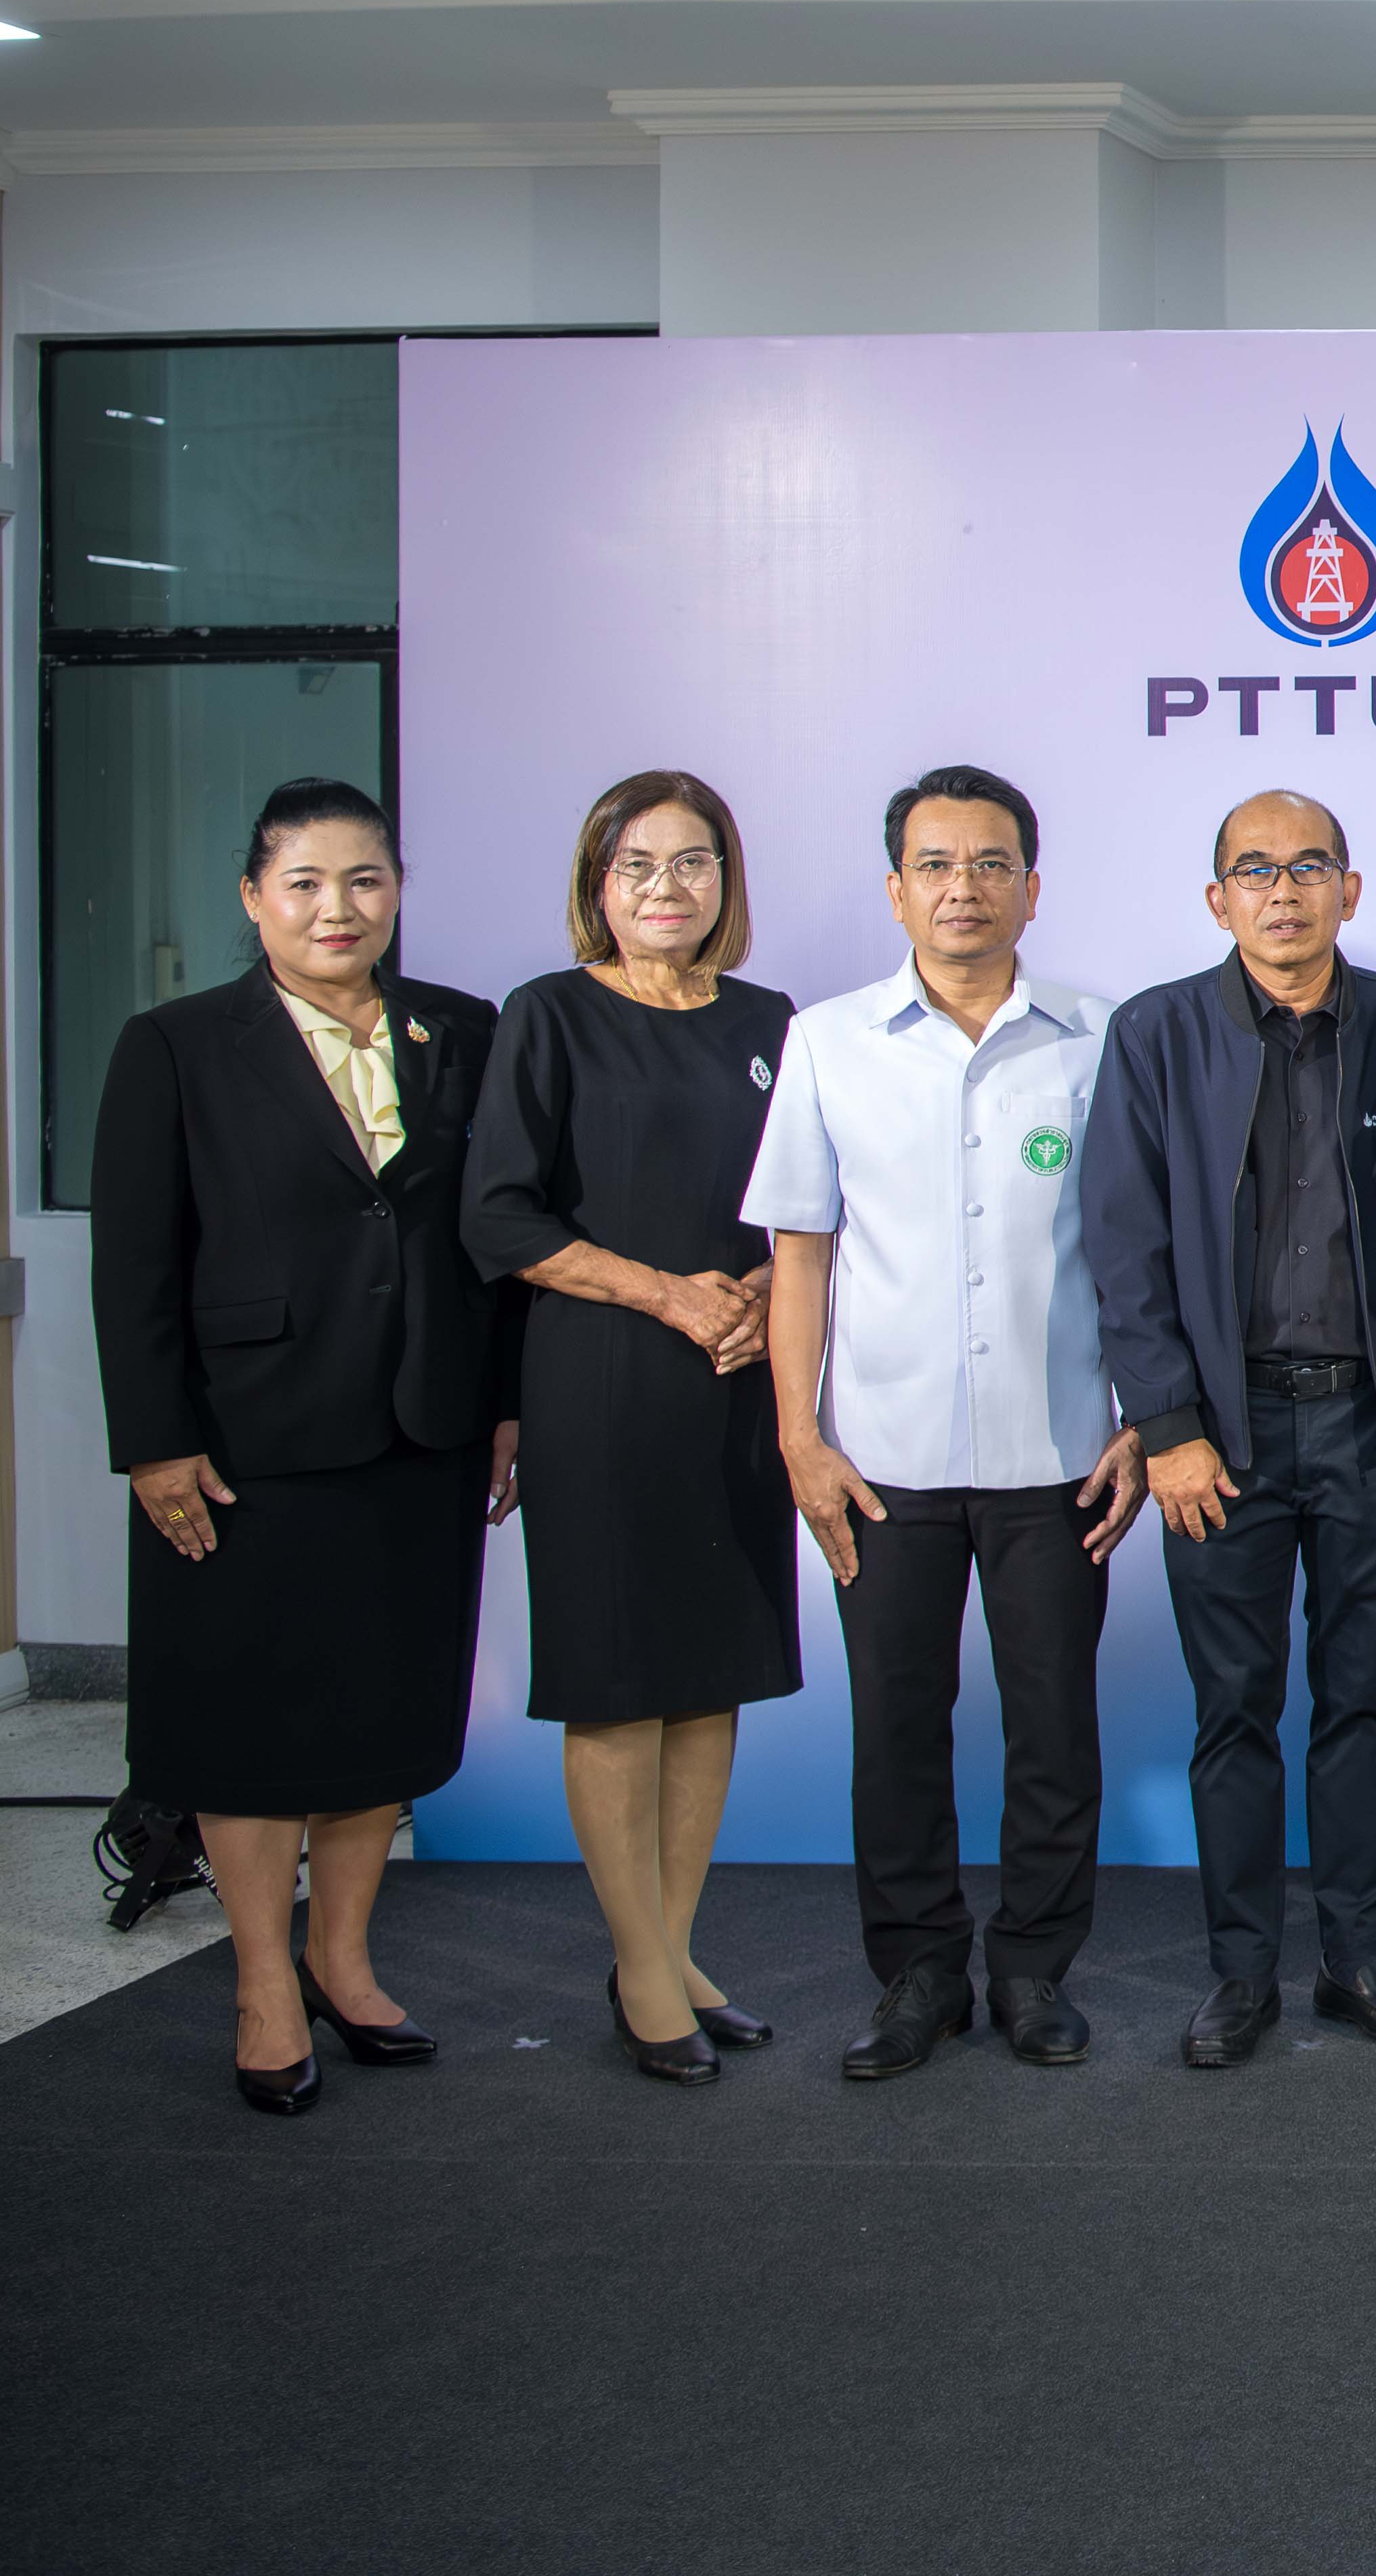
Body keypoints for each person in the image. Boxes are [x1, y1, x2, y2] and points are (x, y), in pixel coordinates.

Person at [91, 778, 522, 2114]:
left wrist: (505, 1399)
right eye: (306, 882)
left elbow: (493, 1233)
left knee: (378, 1709)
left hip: (421, 1422)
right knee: (248, 1718)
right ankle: (262, 1984)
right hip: (245, 1437)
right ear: (253, 895)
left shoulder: (460, 1027)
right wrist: (154, 1441)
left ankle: (343, 1960)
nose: (339, 907)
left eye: (366, 879)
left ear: (396, 890)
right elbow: (135, 1263)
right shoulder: (175, 1044)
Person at [748, 767, 1143, 2080]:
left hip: (1059, 1451)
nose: (962, 887)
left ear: (1032, 886)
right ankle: (919, 1970)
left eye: (989, 863)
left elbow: (1140, 1246)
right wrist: (800, 1437)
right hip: (881, 1458)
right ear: (895, 888)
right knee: (897, 1726)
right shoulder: (828, 1041)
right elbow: (800, 1254)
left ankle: (1033, 1966)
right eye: (935, 864)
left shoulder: (1101, 1037)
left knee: (1055, 1725)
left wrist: (1144, 1416)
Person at [1080, 791, 1376, 2071]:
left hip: (1372, 1420)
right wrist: (1167, 1425)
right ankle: (1241, 1974)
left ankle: (1354, 1957)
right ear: (1217, 899)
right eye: (1255, 869)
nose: (1283, 891)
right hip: (1221, 1435)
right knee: (1233, 1710)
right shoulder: (1155, 1031)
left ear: (1350, 889)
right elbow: (1123, 1243)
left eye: (1309, 867)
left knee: (1362, 1701)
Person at [460, 771, 800, 2086]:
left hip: (736, 1374)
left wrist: (761, 1292)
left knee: (709, 1673)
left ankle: (672, 1944)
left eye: (693, 860)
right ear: (597, 881)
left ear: (727, 878)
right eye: (638, 863)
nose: (668, 886)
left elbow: (808, 1198)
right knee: (617, 1678)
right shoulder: (548, 1013)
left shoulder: (771, 1021)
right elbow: (500, 1215)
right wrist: (666, 1291)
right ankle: (641, 1966)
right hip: (601, 1375)